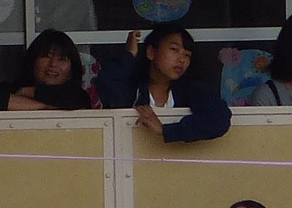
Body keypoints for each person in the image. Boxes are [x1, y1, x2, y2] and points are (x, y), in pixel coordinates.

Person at [93, 23, 234, 143]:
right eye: (174, 50)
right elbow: (108, 86)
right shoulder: (133, 86)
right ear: (151, 52)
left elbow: (219, 120)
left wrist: (165, 130)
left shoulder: (190, 88)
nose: (181, 59)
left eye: (187, 55)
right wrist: (129, 55)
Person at [0, 31, 91, 111]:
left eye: (62, 59)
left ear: (71, 70)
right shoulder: (12, 88)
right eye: (46, 56)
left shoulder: (78, 95)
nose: (53, 64)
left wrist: (28, 92)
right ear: (32, 61)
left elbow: (76, 101)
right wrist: (44, 106)